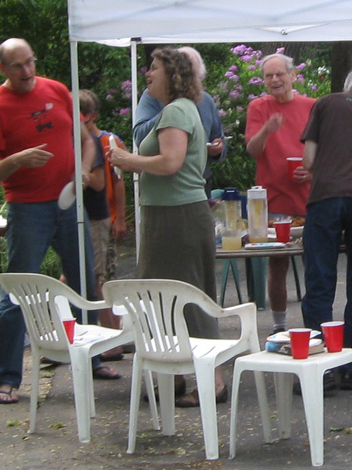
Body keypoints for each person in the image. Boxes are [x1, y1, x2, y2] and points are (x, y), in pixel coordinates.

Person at [0, 38, 105, 405]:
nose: (27, 72)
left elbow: (87, 141)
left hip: (67, 202)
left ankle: (91, 359)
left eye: (30, 62)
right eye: (17, 67)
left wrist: (82, 169)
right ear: (2, 69)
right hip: (28, 208)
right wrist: (16, 160)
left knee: (83, 283)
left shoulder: (57, 90)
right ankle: (6, 379)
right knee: (19, 292)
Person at [110, 47, 222, 408]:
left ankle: (212, 381)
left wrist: (127, 160)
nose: (147, 74)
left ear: (172, 75)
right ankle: (175, 378)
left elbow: (170, 162)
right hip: (170, 214)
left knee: (182, 296)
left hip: (178, 217)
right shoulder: (181, 108)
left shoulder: (176, 110)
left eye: (154, 69)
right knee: (168, 297)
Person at [297, 66, 352, 391]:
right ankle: (351, 362)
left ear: (345, 85)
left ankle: (318, 365)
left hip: (325, 197)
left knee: (320, 279)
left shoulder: (325, 103)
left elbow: (308, 159)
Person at [245, 53, 315, 333]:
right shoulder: (258, 107)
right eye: (269, 76)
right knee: (277, 263)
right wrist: (267, 130)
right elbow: (252, 150)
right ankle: (279, 325)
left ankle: (315, 322)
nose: (274, 80)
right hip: (273, 199)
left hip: (308, 197)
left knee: (315, 264)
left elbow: (326, 148)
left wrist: (312, 171)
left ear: (292, 76)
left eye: (280, 74)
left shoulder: (311, 106)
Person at [133, 46, 225, 196]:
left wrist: (217, 150)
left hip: (190, 188)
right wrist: (167, 114)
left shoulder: (204, 101)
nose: (188, 81)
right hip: (165, 189)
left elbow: (169, 163)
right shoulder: (154, 98)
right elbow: (139, 135)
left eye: (192, 76)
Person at [78, 89, 126, 361]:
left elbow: (117, 181)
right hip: (81, 217)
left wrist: (119, 217)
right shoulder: (74, 139)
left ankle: (114, 339)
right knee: (84, 276)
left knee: (101, 278)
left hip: (102, 216)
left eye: (82, 114)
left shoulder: (107, 141)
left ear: (92, 115)